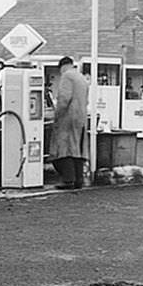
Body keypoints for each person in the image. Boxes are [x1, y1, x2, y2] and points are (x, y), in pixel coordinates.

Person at [49, 55, 92, 189]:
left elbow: (64, 98)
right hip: (81, 117)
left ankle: (68, 180)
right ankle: (79, 179)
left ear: (62, 67)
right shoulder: (81, 78)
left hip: (68, 118)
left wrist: (57, 115)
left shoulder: (67, 76)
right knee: (77, 149)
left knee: (65, 148)